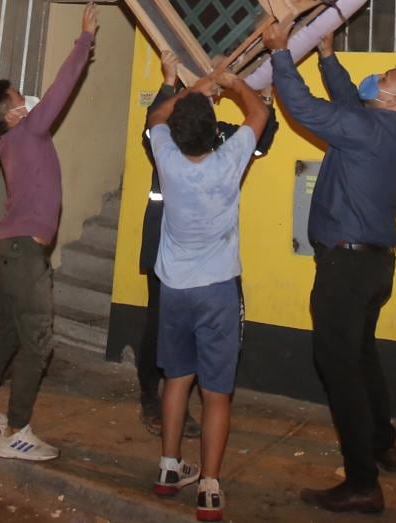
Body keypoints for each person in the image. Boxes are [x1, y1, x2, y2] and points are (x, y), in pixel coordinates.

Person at [266, 22, 396, 515]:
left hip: (345, 266)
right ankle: (382, 442)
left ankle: (362, 481)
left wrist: (280, 55)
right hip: (374, 268)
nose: (376, 78)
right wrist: (328, 58)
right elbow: (348, 108)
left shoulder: (369, 128)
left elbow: (308, 109)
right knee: (361, 357)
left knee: (339, 369)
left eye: (385, 80)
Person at [0, 1, 98, 463]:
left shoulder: (10, 143)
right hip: (23, 254)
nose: (28, 98)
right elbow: (62, 90)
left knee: (8, 333)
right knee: (37, 342)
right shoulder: (30, 132)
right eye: (20, 97)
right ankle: (15, 431)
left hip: (7, 249)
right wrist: (84, 39)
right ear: (13, 114)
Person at [145, 69, 269, 523]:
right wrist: (233, 82)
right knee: (216, 394)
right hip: (217, 291)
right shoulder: (228, 158)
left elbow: (156, 115)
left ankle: (167, 468)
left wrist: (191, 85)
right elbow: (260, 112)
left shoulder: (165, 155)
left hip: (174, 290)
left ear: (174, 133)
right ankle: (209, 489)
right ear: (215, 131)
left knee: (177, 379)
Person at [137, 52, 279, 435]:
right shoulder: (194, 135)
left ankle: (170, 411)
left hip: (188, 265)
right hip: (173, 256)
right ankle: (154, 401)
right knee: (159, 331)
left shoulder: (212, 135)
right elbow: (257, 125)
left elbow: (261, 138)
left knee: (178, 350)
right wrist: (239, 90)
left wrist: (257, 94)